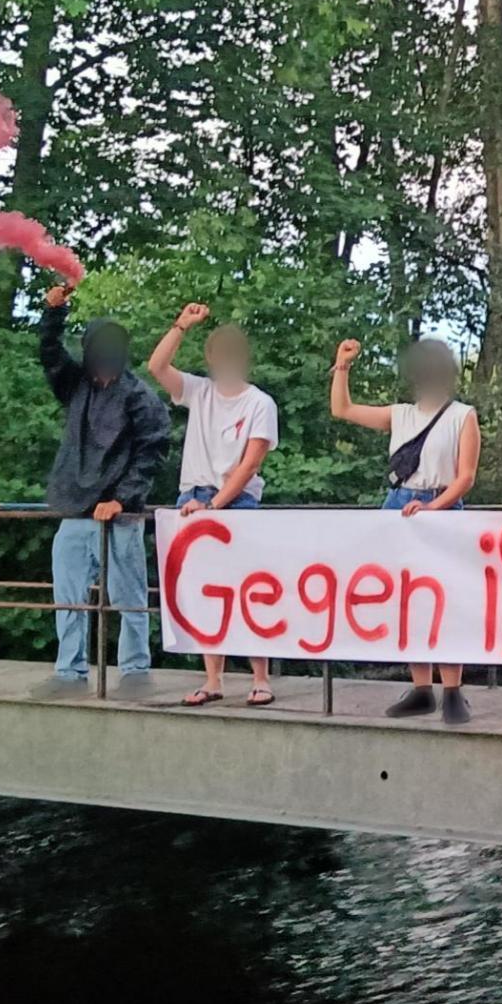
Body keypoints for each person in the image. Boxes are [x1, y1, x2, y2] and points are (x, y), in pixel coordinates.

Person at [331, 333, 482, 724]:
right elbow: (342, 409)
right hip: (400, 507)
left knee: (446, 602)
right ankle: (421, 688)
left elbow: (464, 478)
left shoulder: (462, 415)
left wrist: (434, 507)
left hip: (441, 506)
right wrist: (343, 365)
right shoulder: (400, 414)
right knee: (408, 603)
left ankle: (452, 690)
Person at [37, 284, 170, 698]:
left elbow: (153, 449)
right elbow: (50, 355)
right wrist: (54, 312)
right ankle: (69, 674)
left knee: (128, 596)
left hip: (119, 514)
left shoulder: (139, 397)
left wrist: (122, 499)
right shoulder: (76, 385)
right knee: (69, 598)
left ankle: (134, 672)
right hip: (75, 509)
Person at [146, 302, 280, 710]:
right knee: (205, 590)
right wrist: (180, 325)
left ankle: (260, 678)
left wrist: (217, 505)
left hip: (235, 501)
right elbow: (157, 366)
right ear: (210, 359)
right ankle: (213, 678)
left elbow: (251, 461)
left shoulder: (260, 403)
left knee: (247, 587)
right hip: (193, 497)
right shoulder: (199, 391)